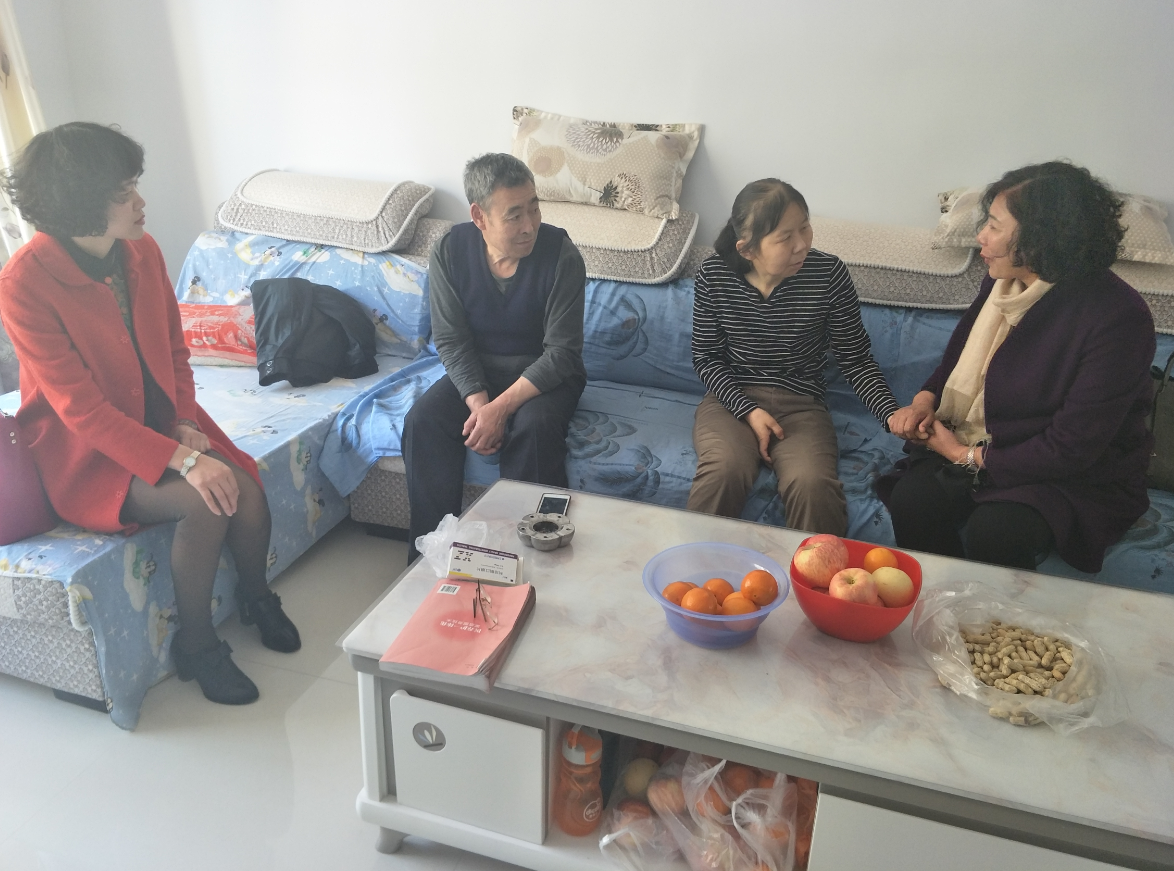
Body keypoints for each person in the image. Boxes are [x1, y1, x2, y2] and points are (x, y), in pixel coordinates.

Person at [0, 122, 299, 706]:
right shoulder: (23, 283)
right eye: (123, 193)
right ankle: (198, 645)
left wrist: (184, 422)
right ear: (79, 203)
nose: (141, 202)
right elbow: (82, 412)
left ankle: (256, 597)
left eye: (134, 185)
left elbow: (176, 351)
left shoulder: (143, 249)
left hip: (162, 421)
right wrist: (183, 461)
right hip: (87, 451)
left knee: (246, 490)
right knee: (205, 502)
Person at [884, 161, 1155, 572]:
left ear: (1042, 236)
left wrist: (960, 454)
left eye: (994, 226)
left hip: (1068, 473)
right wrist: (924, 401)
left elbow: (1073, 447)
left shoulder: (1118, 317)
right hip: (980, 441)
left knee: (998, 530)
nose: (981, 236)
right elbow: (955, 365)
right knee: (913, 500)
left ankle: (997, 617)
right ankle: (938, 606)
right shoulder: (1000, 282)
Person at [688, 178, 899, 534]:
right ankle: (695, 565)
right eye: (785, 237)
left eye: (805, 227)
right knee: (724, 470)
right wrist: (749, 411)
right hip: (731, 401)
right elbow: (707, 357)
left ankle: (816, 571)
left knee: (812, 485)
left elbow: (856, 359)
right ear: (747, 250)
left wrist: (891, 415)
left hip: (801, 405)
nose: (802, 244)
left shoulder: (828, 274)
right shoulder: (714, 275)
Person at [403, 154, 586, 560]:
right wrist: (480, 406)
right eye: (514, 215)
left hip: (546, 377)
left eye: (534, 208)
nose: (529, 225)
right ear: (479, 216)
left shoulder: (562, 256)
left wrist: (499, 410)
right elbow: (451, 339)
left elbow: (562, 352)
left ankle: (527, 558)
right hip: (480, 371)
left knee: (533, 429)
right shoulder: (449, 250)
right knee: (423, 422)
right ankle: (430, 558)